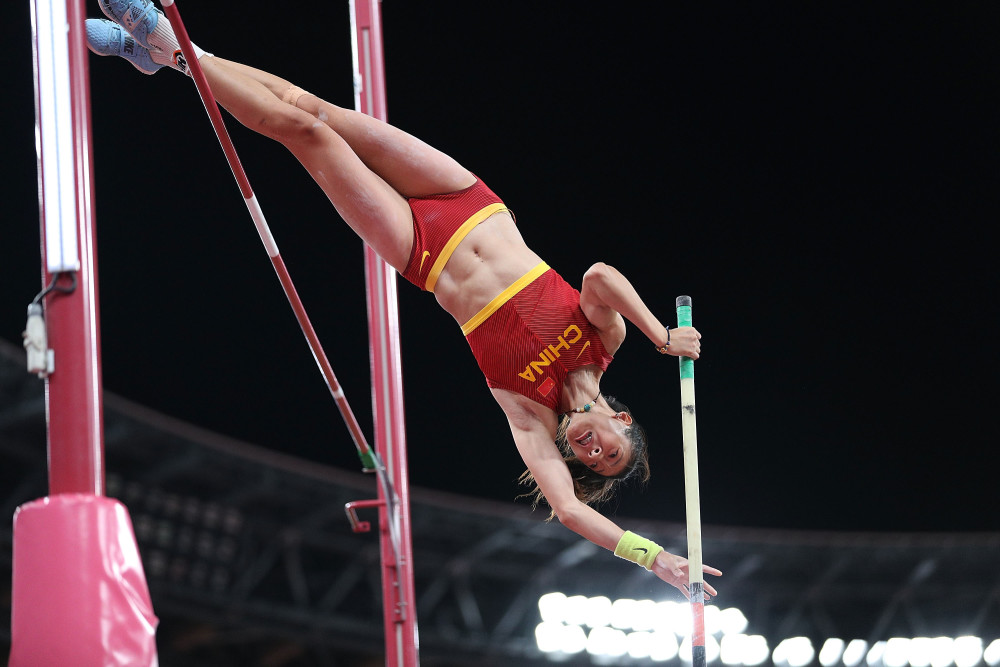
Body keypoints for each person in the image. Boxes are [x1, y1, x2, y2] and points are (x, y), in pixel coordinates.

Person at [86, 0, 721, 598]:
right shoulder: (604, 342)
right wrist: (660, 334)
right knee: (318, 107)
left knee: (305, 132)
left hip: (419, 248)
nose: (594, 452)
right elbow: (601, 274)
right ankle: (167, 50)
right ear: (622, 420)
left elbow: (567, 508)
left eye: (595, 462)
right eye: (611, 449)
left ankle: (165, 44)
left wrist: (652, 556)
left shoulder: (531, 418)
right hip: (467, 200)